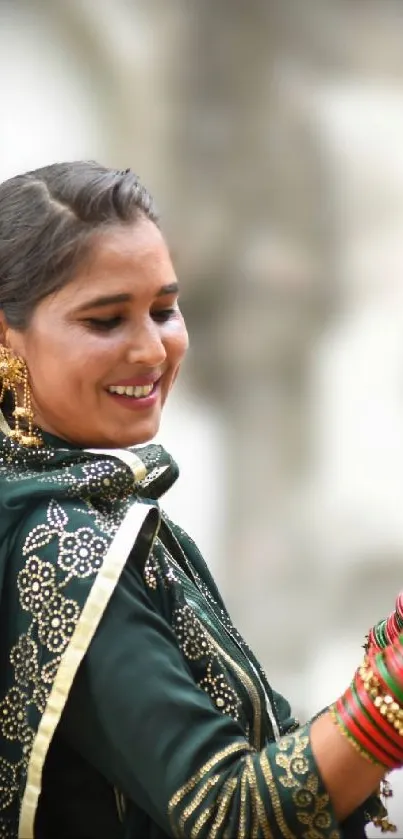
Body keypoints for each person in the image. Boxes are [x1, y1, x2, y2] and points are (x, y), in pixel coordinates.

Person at [0, 161, 400, 839]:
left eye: (163, 309)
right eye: (105, 320)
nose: (152, 349)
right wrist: (386, 696)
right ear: (6, 340)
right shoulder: (60, 541)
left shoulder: (87, 504)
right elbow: (226, 813)